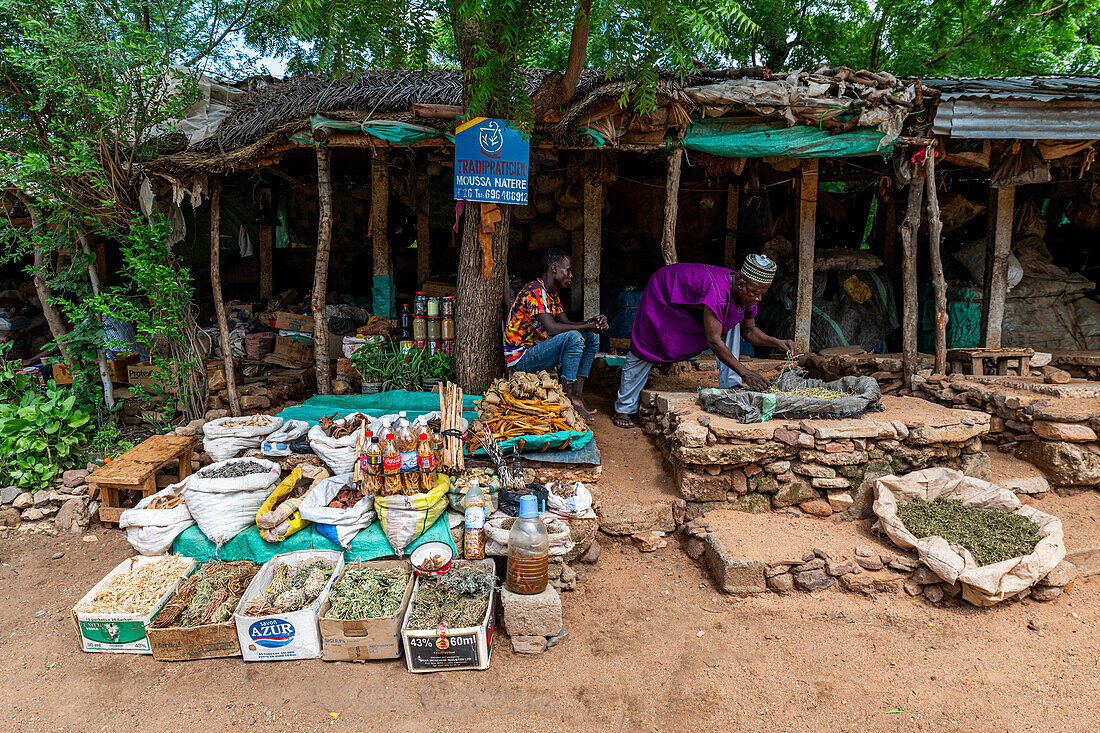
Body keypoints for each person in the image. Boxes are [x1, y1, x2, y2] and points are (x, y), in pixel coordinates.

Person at [611, 254, 797, 429]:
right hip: (663, 292)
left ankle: (731, 385)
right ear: (741, 283)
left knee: (731, 320)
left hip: (692, 303)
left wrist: (777, 342)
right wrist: (746, 372)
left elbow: (749, 331)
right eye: (756, 293)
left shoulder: (744, 295)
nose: (759, 298)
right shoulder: (718, 292)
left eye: (762, 293)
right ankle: (624, 408)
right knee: (646, 346)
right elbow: (713, 341)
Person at [504, 248, 608, 419]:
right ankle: (568, 400)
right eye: (568, 270)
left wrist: (592, 324)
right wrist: (587, 326)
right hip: (521, 359)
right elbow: (552, 328)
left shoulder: (551, 294)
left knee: (592, 337)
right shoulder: (535, 291)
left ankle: (577, 396)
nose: (571, 275)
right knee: (574, 337)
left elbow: (566, 324)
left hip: (538, 352)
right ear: (554, 268)